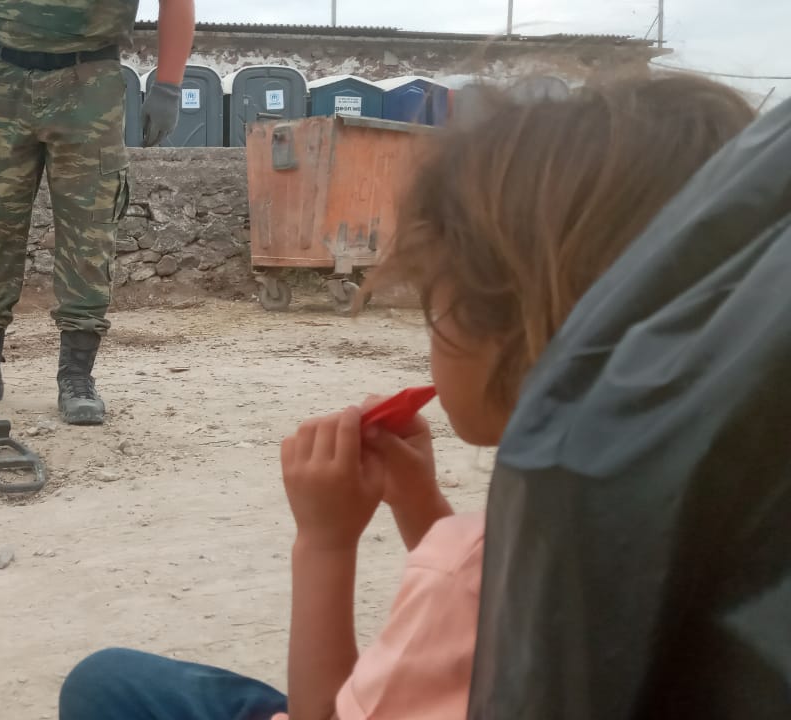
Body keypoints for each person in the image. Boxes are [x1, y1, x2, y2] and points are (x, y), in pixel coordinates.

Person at [55, 72, 754, 720]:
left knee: (105, 687)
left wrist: (324, 542)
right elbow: (499, 626)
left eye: (434, 301)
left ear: (518, 332)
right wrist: (422, 506)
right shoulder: (712, 536)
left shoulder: (462, 572)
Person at [0, 0, 196, 426]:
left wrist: (170, 83)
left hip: (90, 81)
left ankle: (76, 377)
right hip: (2, 76)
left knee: (88, 231)